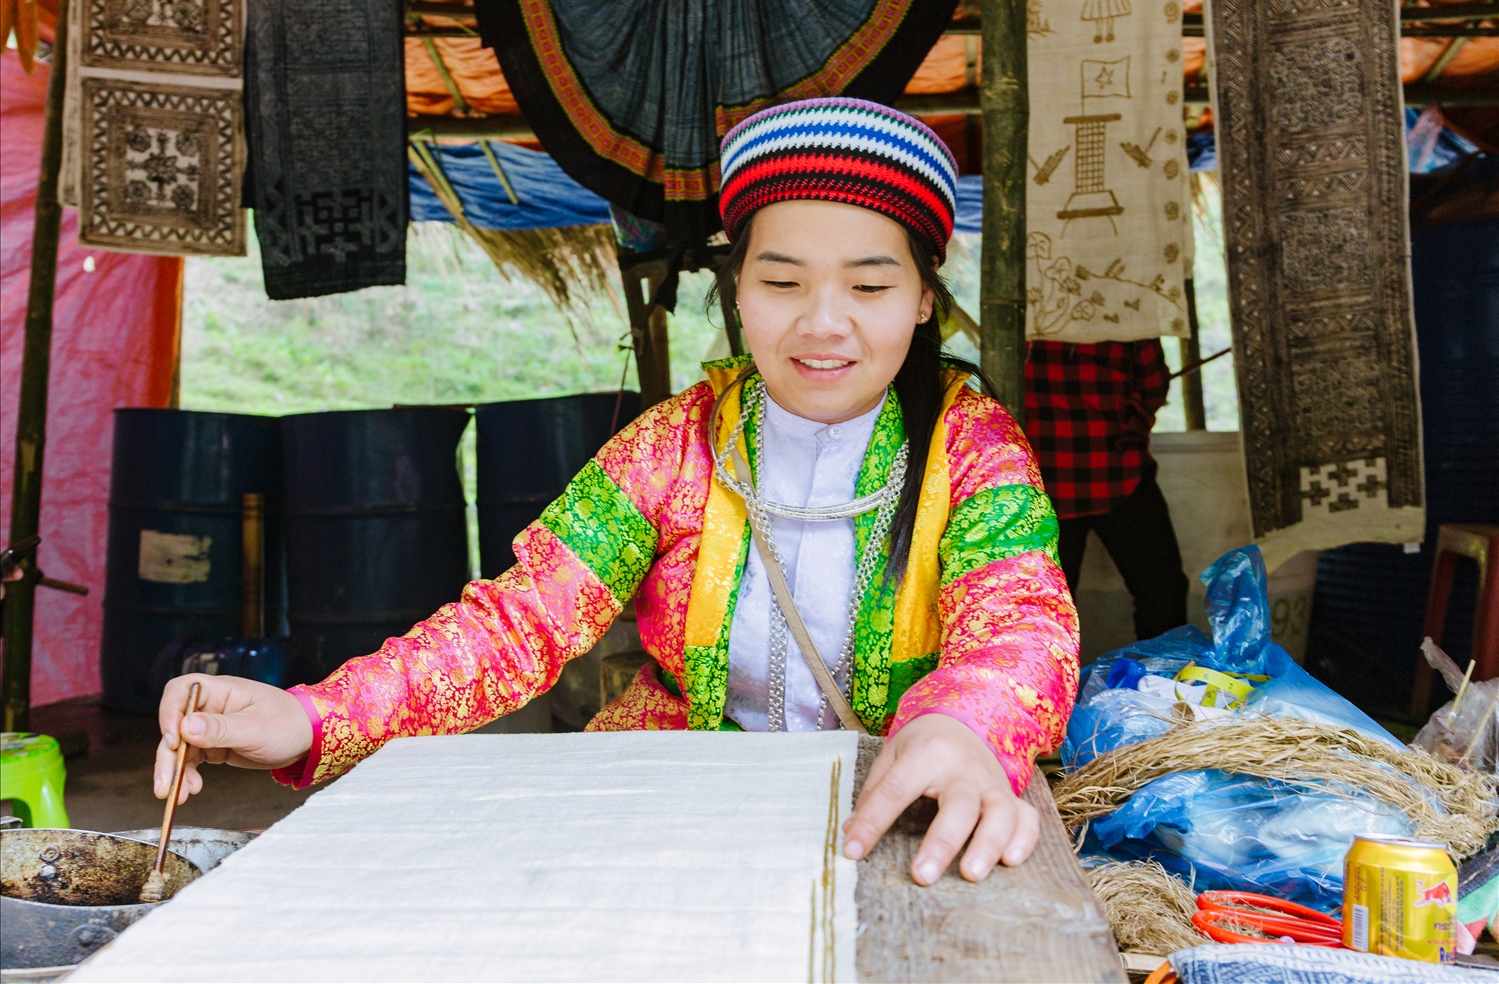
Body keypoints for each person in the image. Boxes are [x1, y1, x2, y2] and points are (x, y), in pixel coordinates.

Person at [154, 99, 1080, 886]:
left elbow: (1021, 624)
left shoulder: (973, 450)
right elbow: (518, 623)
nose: (822, 323)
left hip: (894, 823)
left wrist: (964, 725)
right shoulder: (675, 446)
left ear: (923, 299)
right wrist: (313, 715)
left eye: (870, 284)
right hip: (676, 813)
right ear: (739, 292)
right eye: (782, 280)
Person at [1024, 339, 1189, 640]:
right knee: (1162, 592)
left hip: (1041, 480)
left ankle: (1047, 686)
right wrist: (1135, 419)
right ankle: (1164, 680)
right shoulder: (1127, 303)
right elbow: (1153, 384)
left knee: (1042, 606)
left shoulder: (1023, 311)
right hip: (1116, 472)